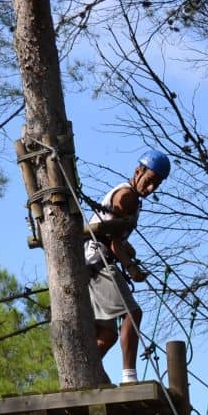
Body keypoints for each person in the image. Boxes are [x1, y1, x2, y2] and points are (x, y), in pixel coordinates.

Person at [84, 149, 170, 384]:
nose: (152, 189)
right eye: (150, 181)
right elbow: (113, 242)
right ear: (138, 171)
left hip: (90, 263)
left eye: (157, 185)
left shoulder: (126, 194)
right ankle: (129, 377)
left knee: (108, 334)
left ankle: (90, 375)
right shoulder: (127, 197)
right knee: (133, 312)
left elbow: (116, 237)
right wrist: (131, 268)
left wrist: (127, 249)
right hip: (98, 262)